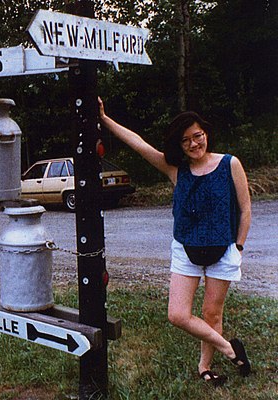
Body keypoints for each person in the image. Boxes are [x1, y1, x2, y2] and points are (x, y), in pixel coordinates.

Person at [98, 98, 252, 387]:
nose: (194, 144)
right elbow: (139, 144)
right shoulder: (176, 170)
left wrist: (239, 247)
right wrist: (105, 119)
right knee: (178, 314)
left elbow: (245, 209)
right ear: (179, 146)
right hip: (185, 248)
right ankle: (230, 349)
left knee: (211, 313)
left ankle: (205, 367)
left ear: (206, 134)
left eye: (198, 136)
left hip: (224, 249)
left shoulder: (230, 164)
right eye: (186, 141)